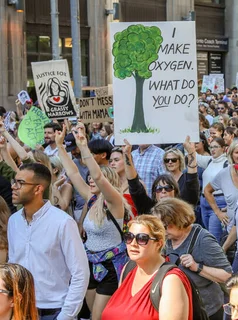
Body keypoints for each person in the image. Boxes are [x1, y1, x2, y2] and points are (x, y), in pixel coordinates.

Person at [57, 124, 131, 319]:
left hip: (111, 266)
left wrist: (84, 147)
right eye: (88, 178)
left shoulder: (115, 203)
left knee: (99, 317)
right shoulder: (91, 199)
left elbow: (98, 175)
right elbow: (73, 173)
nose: (90, 180)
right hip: (90, 264)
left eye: (94, 180)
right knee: (91, 314)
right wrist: (60, 146)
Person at [8, 163, 89, 320]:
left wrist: (66, 315)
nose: (14, 187)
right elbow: (13, 265)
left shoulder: (63, 222)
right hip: (20, 308)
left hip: (53, 310)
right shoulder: (13, 221)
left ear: (38, 189)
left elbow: (80, 272)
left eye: (21, 183)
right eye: (14, 181)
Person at [152, 199, 232, 320]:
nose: (161, 231)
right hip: (179, 308)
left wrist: (198, 267)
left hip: (205, 311)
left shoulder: (203, 239)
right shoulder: (166, 239)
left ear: (178, 220)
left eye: (164, 226)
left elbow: (227, 275)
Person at [101, 215, 193, 319]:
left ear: (159, 244)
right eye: (129, 237)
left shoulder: (170, 280)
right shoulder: (128, 268)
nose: (133, 244)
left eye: (142, 239)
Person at [122, 140, 199, 215]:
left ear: (175, 191)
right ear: (154, 193)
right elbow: (134, 186)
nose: (163, 191)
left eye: (168, 188)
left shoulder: (183, 208)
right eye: (159, 189)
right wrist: (126, 154)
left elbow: (192, 183)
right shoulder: (149, 209)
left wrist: (191, 152)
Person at [204, 139, 238, 238]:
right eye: (237, 152)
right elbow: (207, 190)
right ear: (231, 155)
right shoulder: (224, 174)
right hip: (231, 231)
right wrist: (218, 212)